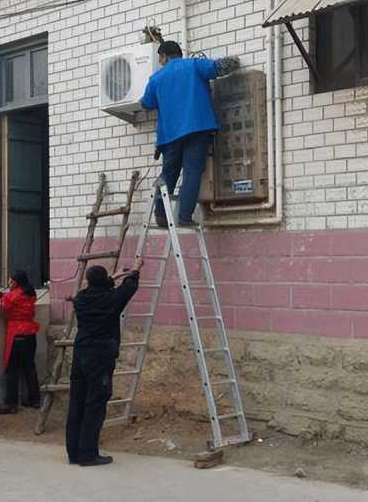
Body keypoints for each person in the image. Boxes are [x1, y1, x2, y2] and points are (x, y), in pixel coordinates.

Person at [141, 40, 240, 227]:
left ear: (163, 56)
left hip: (169, 136)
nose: (160, 62)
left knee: (168, 174)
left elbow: (146, 103)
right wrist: (234, 61)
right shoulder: (194, 65)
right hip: (197, 128)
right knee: (192, 173)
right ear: (179, 53)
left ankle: (161, 215)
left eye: (160, 58)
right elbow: (219, 67)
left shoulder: (156, 79)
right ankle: (184, 217)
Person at [66, 257, 143, 467]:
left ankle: (74, 453)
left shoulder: (81, 299)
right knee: (95, 404)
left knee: (77, 402)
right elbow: (129, 288)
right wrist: (136, 268)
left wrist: (114, 276)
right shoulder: (111, 300)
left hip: (80, 354)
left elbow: (107, 287)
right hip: (100, 357)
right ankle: (88, 455)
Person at [0, 270, 41, 414]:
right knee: (29, 368)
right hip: (30, 333)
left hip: (17, 334)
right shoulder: (30, 293)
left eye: (10, 281)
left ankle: (11, 404)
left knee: (12, 370)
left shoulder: (14, 295)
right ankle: (34, 399)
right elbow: (13, 301)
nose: (9, 284)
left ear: (15, 282)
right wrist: (4, 294)